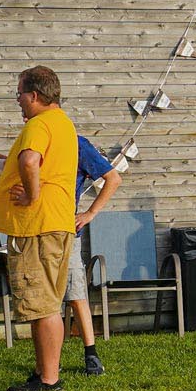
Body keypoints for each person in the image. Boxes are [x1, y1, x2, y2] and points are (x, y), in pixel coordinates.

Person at [0, 67, 84, 391]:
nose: (18, 100)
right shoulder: (62, 123)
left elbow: (31, 161)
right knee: (44, 301)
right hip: (56, 222)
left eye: (19, 93)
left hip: (37, 225)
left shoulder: (39, 123)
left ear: (34, 95)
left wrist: (32, 195)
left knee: (43, 303)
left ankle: (49, 380)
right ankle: (43, 371)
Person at [60, 134, 122, 375]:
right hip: (38, 231)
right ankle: (48, 362)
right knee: (48, 303)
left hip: (67, 233)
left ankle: (91, 354)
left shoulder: (77, 144)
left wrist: (90, 213)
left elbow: (113, 178)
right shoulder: (33, 140)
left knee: (76, 293)